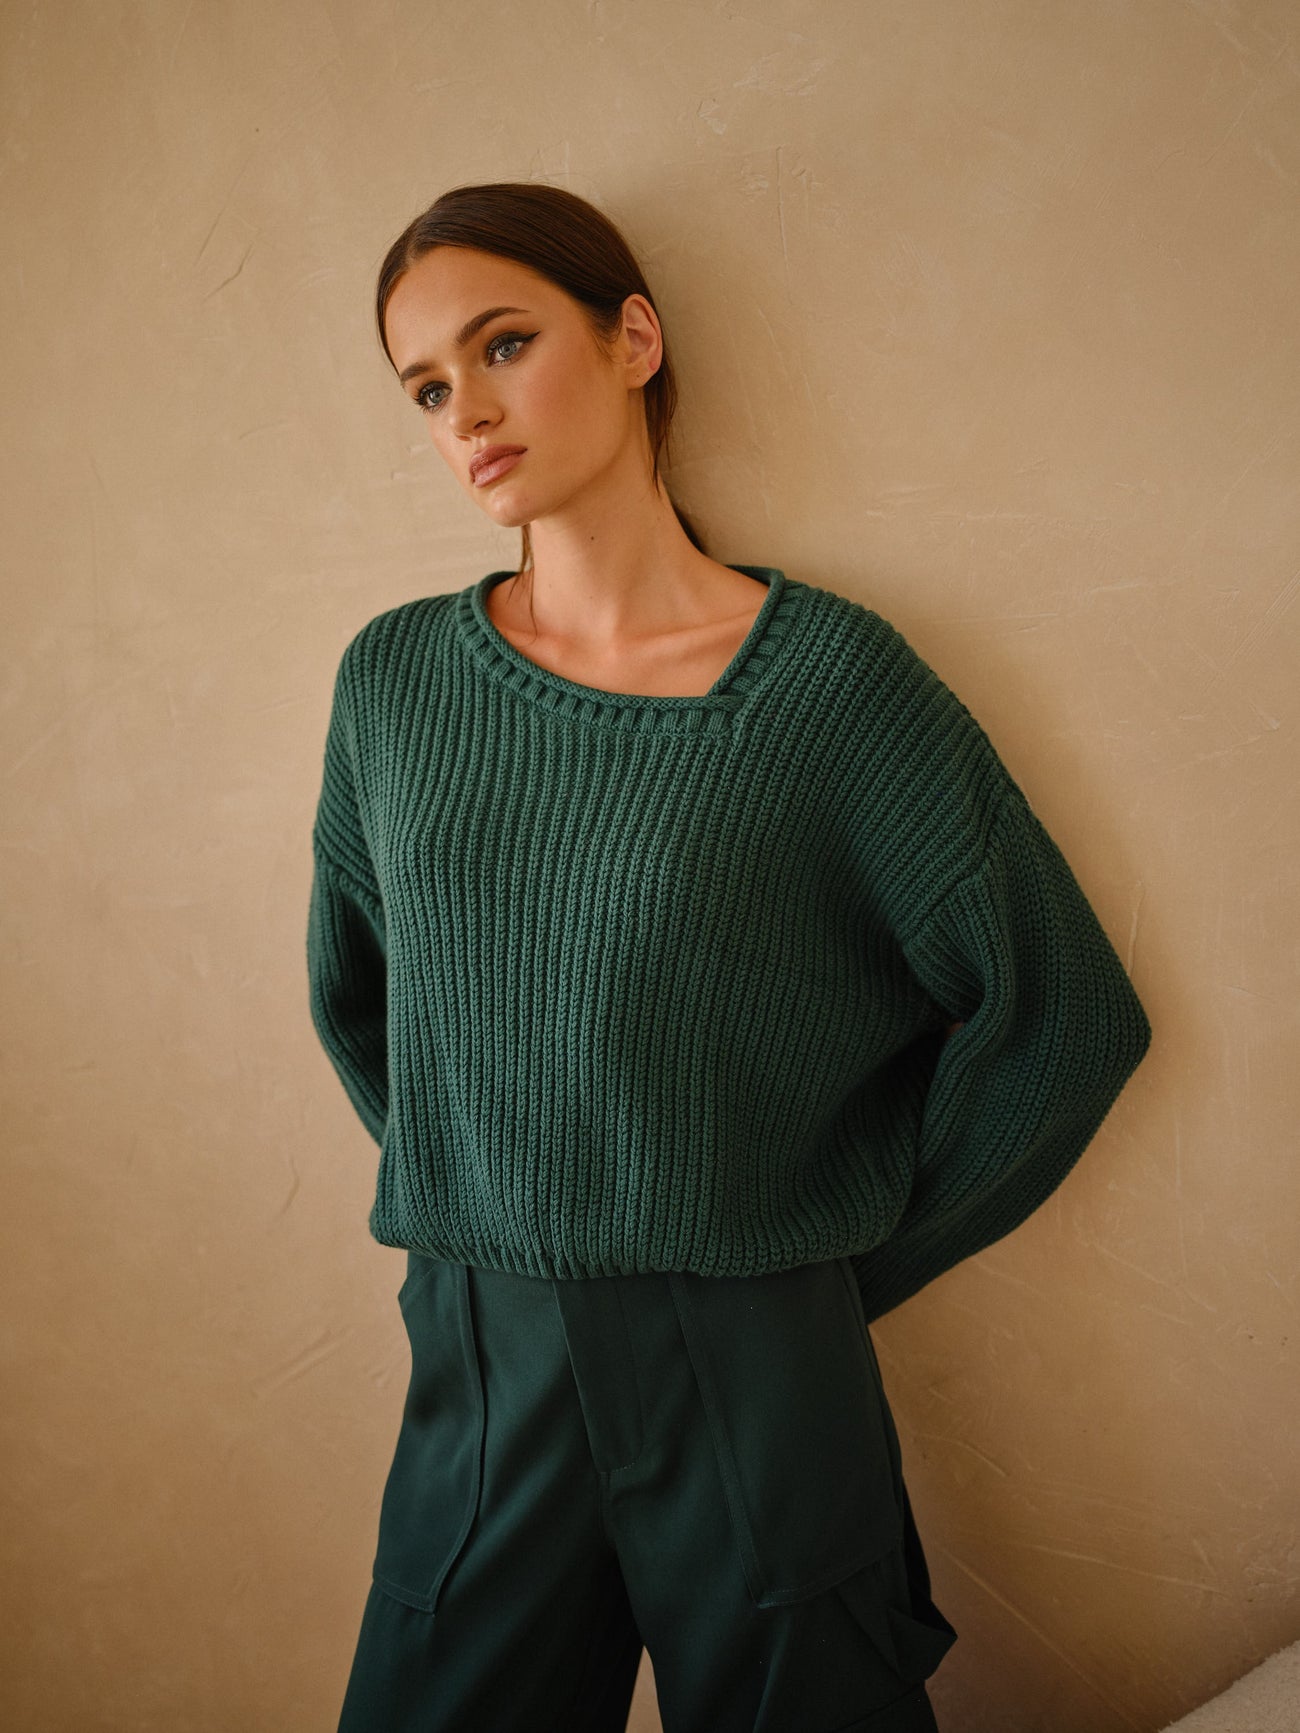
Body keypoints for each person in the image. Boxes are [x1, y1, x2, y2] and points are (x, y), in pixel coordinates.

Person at [307, 180, 1154, 1733]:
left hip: (767, 1358)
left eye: (505, 344)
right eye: (426, 385)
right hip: (487, 1357)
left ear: (632, 338)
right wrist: (503, 1187)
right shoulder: (396, 688)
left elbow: (1062, 1019)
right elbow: (362, 1005)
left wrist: (813, 1257)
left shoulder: (832, 687)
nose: (466, 412)